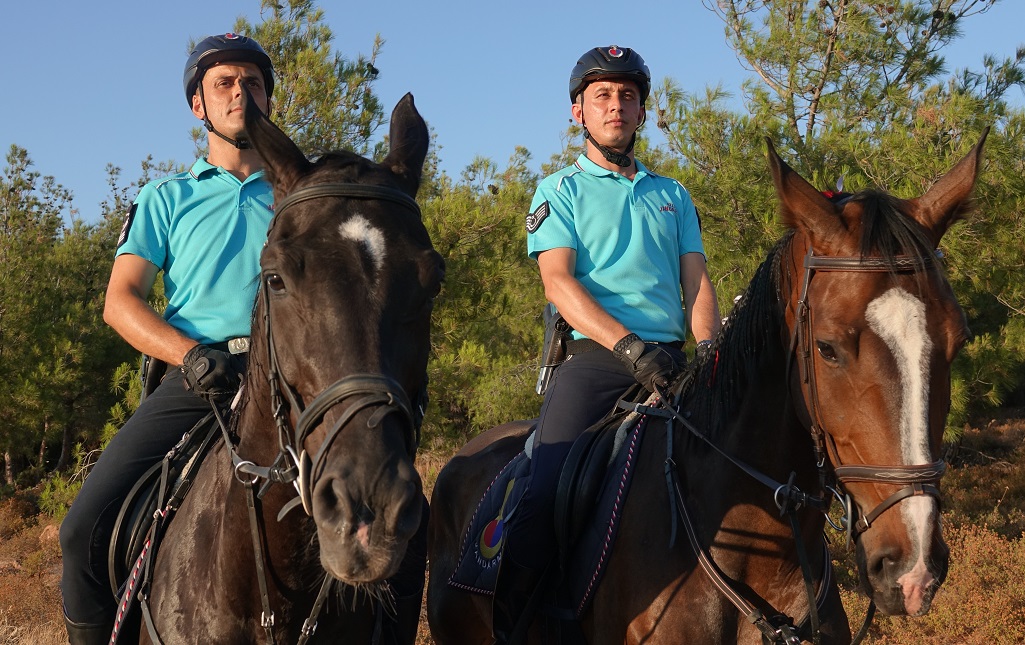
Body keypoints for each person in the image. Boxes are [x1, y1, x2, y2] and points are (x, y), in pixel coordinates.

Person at [58, 33, 426, 645]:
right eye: (223, 83)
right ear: (197, 105)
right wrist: (189, 356)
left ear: (267, 101)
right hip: (197, 377)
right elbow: (120, 303)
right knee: (81, 532)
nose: (239, 92)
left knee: (408, 526)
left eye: (252, 83)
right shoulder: (166, 197)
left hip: (295, 376)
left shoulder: (306, 198)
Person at [492, 45, 721, 642]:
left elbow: (695, 281)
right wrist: (627, 348)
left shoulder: (673, 193)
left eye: (627, 95)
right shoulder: (558, 190)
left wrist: (711, 352)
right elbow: (558, 282)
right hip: (598, 362)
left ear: (642, 110)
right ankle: (520, 626)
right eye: (602, 96)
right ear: (578, 113)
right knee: (544, 490)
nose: (616, 105)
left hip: (674, 361)